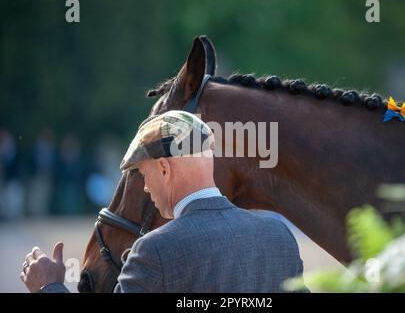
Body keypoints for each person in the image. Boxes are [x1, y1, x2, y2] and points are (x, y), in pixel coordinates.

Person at [20, 110, 304, 293]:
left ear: (165, 169)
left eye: (144, 174)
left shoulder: (154, 251)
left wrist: (49, 285)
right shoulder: (279, 237)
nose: (145, 187)